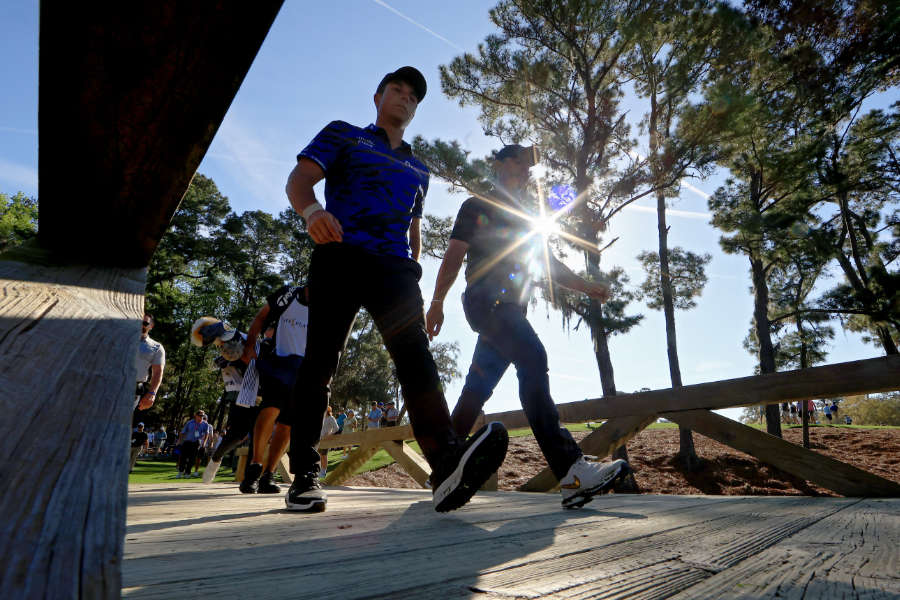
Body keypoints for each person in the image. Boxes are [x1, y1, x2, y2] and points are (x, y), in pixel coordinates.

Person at [283, 65, 508, 513]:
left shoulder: (418, 167)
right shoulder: (344, 135)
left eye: (413, 97)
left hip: (394, 271)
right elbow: (300, 181)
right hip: (340, 254)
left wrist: (414, 264)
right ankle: (305, 474)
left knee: (416, 357)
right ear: (378, 96)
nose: (405, 99)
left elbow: (414, 223)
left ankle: (444, 465)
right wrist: (311, 213)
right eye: (397, 90)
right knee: (321, 361)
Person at [426, 143, 631, 509]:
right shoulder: (477, 205)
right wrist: (437, 302)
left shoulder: (528, 216)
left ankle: (442, 470)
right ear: (500, 164)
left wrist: (586, 286)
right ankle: (571, 470)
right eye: (520, 162)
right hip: (487, 302)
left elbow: (548, 264)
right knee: (533, 358)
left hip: (510, 312)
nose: (526, 171)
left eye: (529, 167)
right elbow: (455, 254)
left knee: (477, 387)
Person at [238, 284, 311, 494]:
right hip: (280, 362)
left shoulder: (330, 304)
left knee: (288, 423)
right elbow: (262, 317)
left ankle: (268, 475)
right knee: (271, 408)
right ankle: (254, 467)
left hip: (304, 369)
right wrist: (250, 345)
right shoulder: (288, 294)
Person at [134, 314, 165, 412]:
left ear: (151, 326)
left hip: (132, 392)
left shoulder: (156, 348)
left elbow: (157, 373)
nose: (140, 324)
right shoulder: (118, 338)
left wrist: (152, 394)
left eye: (145, 323)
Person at [176, 411, 211, 479]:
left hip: (196, 443)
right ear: (196, 415)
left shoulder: (205, 424)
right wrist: (179, 440)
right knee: (183, 458)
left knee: (192, 459)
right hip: (187, 441)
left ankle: (187, 473)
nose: (201, 417)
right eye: (200, 415)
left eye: (202, 416)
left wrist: (204, 443)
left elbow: (207, 434)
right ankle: (180, 472)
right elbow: (182, 432)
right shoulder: (189, 422)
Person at [319, 406, 340, 478]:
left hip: (327, 440)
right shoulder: (322, 418)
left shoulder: (331, 418)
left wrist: (329, 434)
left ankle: (323, 472)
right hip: (320, 440)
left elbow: (337, 428)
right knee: (321, 456)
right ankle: (321, 471)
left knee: (324, 456)